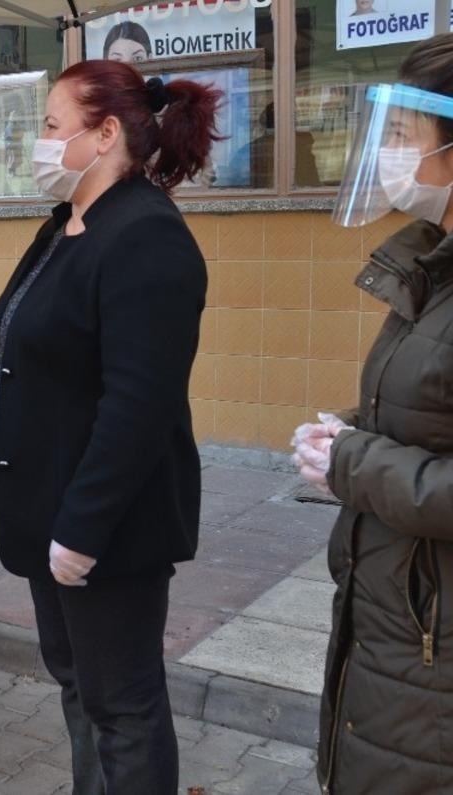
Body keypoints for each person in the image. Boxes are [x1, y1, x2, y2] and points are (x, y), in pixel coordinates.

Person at [0, 62, 218, 794]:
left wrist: (81, 528)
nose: (41, 141)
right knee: (81, 688)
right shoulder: (68, 224)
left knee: (124, 705)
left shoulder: (147, 237)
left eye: (52, 126)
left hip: (105, 528)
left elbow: (138, 406)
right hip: (48, 512)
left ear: (106, 133)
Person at [292, 33, 453, 795]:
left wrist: (353, 461)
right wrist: (350, 431)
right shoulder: (432, 262)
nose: (387, 153)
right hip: (402, 622)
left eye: (401, 135)